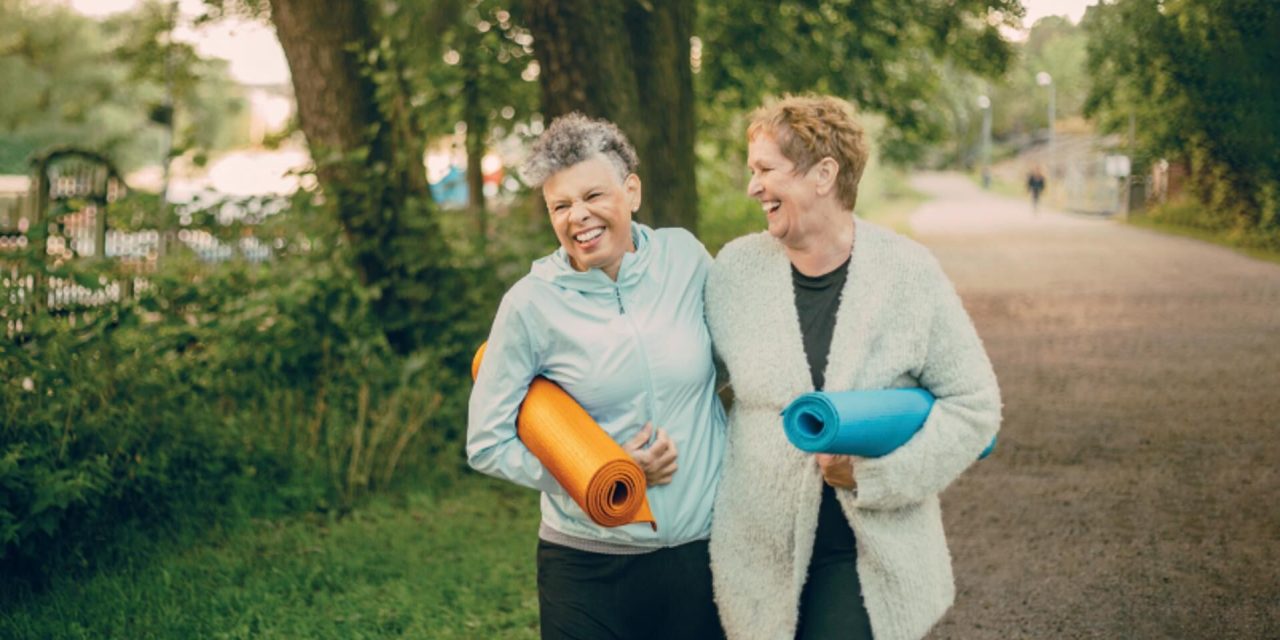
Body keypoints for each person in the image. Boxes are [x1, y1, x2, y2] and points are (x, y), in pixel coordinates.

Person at [705, 95, 1002, 640]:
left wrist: (877, 477)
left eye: (766, 170)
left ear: (823, 174)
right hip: (757, 554)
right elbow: (691, 381)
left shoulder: (908, 274)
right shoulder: (733, 272)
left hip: (868, 554)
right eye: (752, 171)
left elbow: (975, 406)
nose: (753, 187)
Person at [467, 113, 726, 640]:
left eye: (593, 196)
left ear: (631, 191)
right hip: (587, 565)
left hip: (702, 555)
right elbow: (486, 443)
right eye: (560, 206)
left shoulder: (685, 258)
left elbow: (737, 368)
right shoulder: (529, 305)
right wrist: (597, 472)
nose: (577, 217)